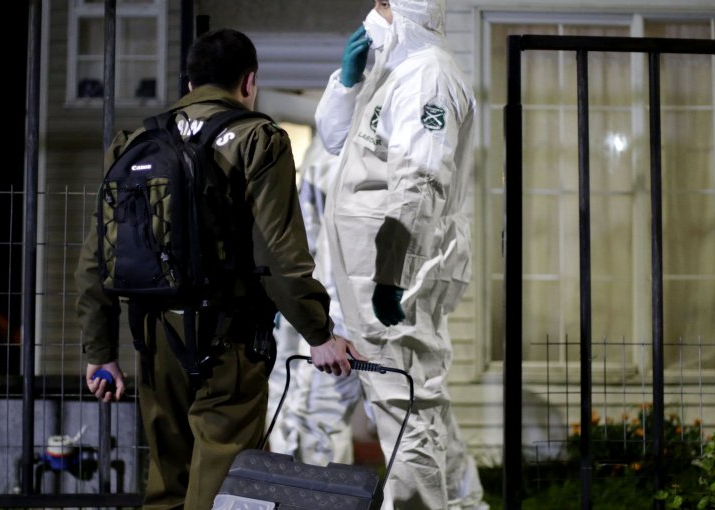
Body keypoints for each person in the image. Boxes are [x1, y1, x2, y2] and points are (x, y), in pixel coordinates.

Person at [75, 28, 363, 510]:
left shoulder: (136, 141)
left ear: (189, 82)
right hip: (228, 344)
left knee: (166, 480)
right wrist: (319, 334)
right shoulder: (258, 139)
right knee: (220, 481)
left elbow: (96, 257)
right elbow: (278, 256)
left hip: (153, 338)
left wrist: (100, 351)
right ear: (248, 82)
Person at [314, 1, 486, 508]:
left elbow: (420, 185)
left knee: (406, 412)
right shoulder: (390, 71)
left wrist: (395, 274)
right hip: (367, 272)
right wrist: (346, 83)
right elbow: (334, 139)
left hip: (388, 275)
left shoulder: (428, 78)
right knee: (409, 406)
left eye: (385, 3)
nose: (373, 11)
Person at [265, 135, 365, 466]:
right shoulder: (334, 151)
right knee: (298, 406)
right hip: (313, 311)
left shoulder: (333, 152)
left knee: (316, 410)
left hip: (323, 312)